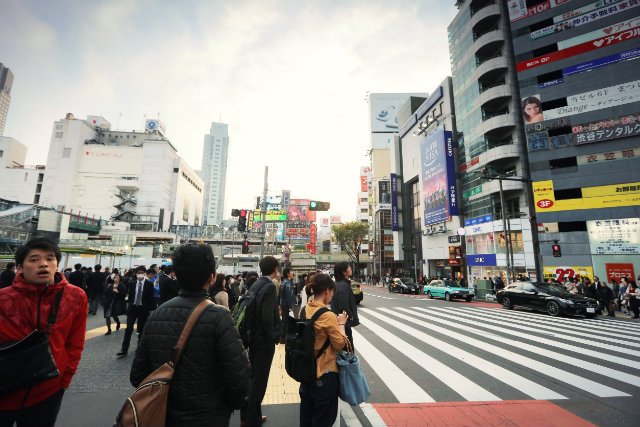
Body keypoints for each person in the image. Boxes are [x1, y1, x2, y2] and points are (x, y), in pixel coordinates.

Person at [130, 244, 251, 427]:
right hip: (209, 416)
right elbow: (239, 377)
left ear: (176, 275)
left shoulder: (157, 315)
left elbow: (137, 374)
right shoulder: (220, 317)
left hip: (164, 415)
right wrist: (226, 406)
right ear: (211, 277)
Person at [0, 238, 88, 426]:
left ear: (57, 264)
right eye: (34, 259)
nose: (43, 264)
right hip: (5, 390)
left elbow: (75, 344)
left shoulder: (76, 297)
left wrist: (64, 380)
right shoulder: (3, 298)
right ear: (20, 268)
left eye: (50, 259)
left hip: (48, 390)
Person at [299, 273, 349, 427]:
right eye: (332, 292)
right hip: (324, 375)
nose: (332, 296)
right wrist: (341, 324)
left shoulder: (304, 309)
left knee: (306, 420)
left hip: (306, 375)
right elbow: (340, 345)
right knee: (323, 421)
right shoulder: (327, 316)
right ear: (327, 291)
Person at [240, 256, 282, 427]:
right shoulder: (269, 287)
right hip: (263, 340)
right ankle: (251, 421)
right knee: (260, 382)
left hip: (252, 337)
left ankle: (250, 415)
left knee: (253, 378)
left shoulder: (256, 284)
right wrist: (274, 335)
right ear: (274, 269)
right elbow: (267, 316)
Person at [117, 266, 156, 358]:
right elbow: (131, 296)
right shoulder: (133, 283)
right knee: (128, 329)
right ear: (136, 274)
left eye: (142, 272)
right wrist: (128, 306)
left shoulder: (149, 284)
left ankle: (139, 347)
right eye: (138, 272)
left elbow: (151, 298)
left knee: (141, 329)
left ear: (145, 273)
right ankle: (124, 349)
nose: (140, 274)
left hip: (143, 309)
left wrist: (151, 309)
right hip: (133, 308)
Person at [330, 262, 359, 350]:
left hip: (338, 320)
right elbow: (343, 305)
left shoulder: (337, 284)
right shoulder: (343, 285)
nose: (351, 269)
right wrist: (351, 316)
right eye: (349, 267)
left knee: (343, 350)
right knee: (348, 350)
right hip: (343, 322)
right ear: (344, 272)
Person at [279, 268, 297, 342]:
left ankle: (283, 338)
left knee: (284, 321)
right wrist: (292, 307)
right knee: (286, 321)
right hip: (287, 305)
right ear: (288, 274)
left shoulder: (284, 282)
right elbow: (289, 296)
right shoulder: (287, 284)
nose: (293, 273)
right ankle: (283, 338)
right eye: (291, 272)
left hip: (284, 304)